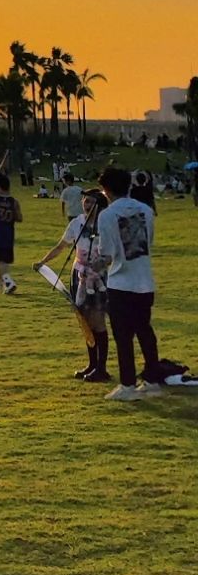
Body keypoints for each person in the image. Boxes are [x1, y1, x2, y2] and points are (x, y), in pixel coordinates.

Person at [96, 166, 165, 400]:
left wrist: (94, 265)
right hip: (145, 281)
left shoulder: (106, 215)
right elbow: (149, 243)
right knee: (145, 332)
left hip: (121, 284)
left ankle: (127, 385)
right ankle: (152, 379)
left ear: (106, 190)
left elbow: (107, 255)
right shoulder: (146, 210)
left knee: (123, 337)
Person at [33, 189, 110, 382]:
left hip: (98, 277)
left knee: (97, 321)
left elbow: (112, 254)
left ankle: (102, 368)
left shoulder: (106, 225)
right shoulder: (77, 223)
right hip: (79, 274)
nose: (87, 205)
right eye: (85, 201)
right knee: (84, 320)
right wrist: (43, 262)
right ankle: (92, 364)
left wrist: (100, 264)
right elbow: (61, 246)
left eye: (91, 202)